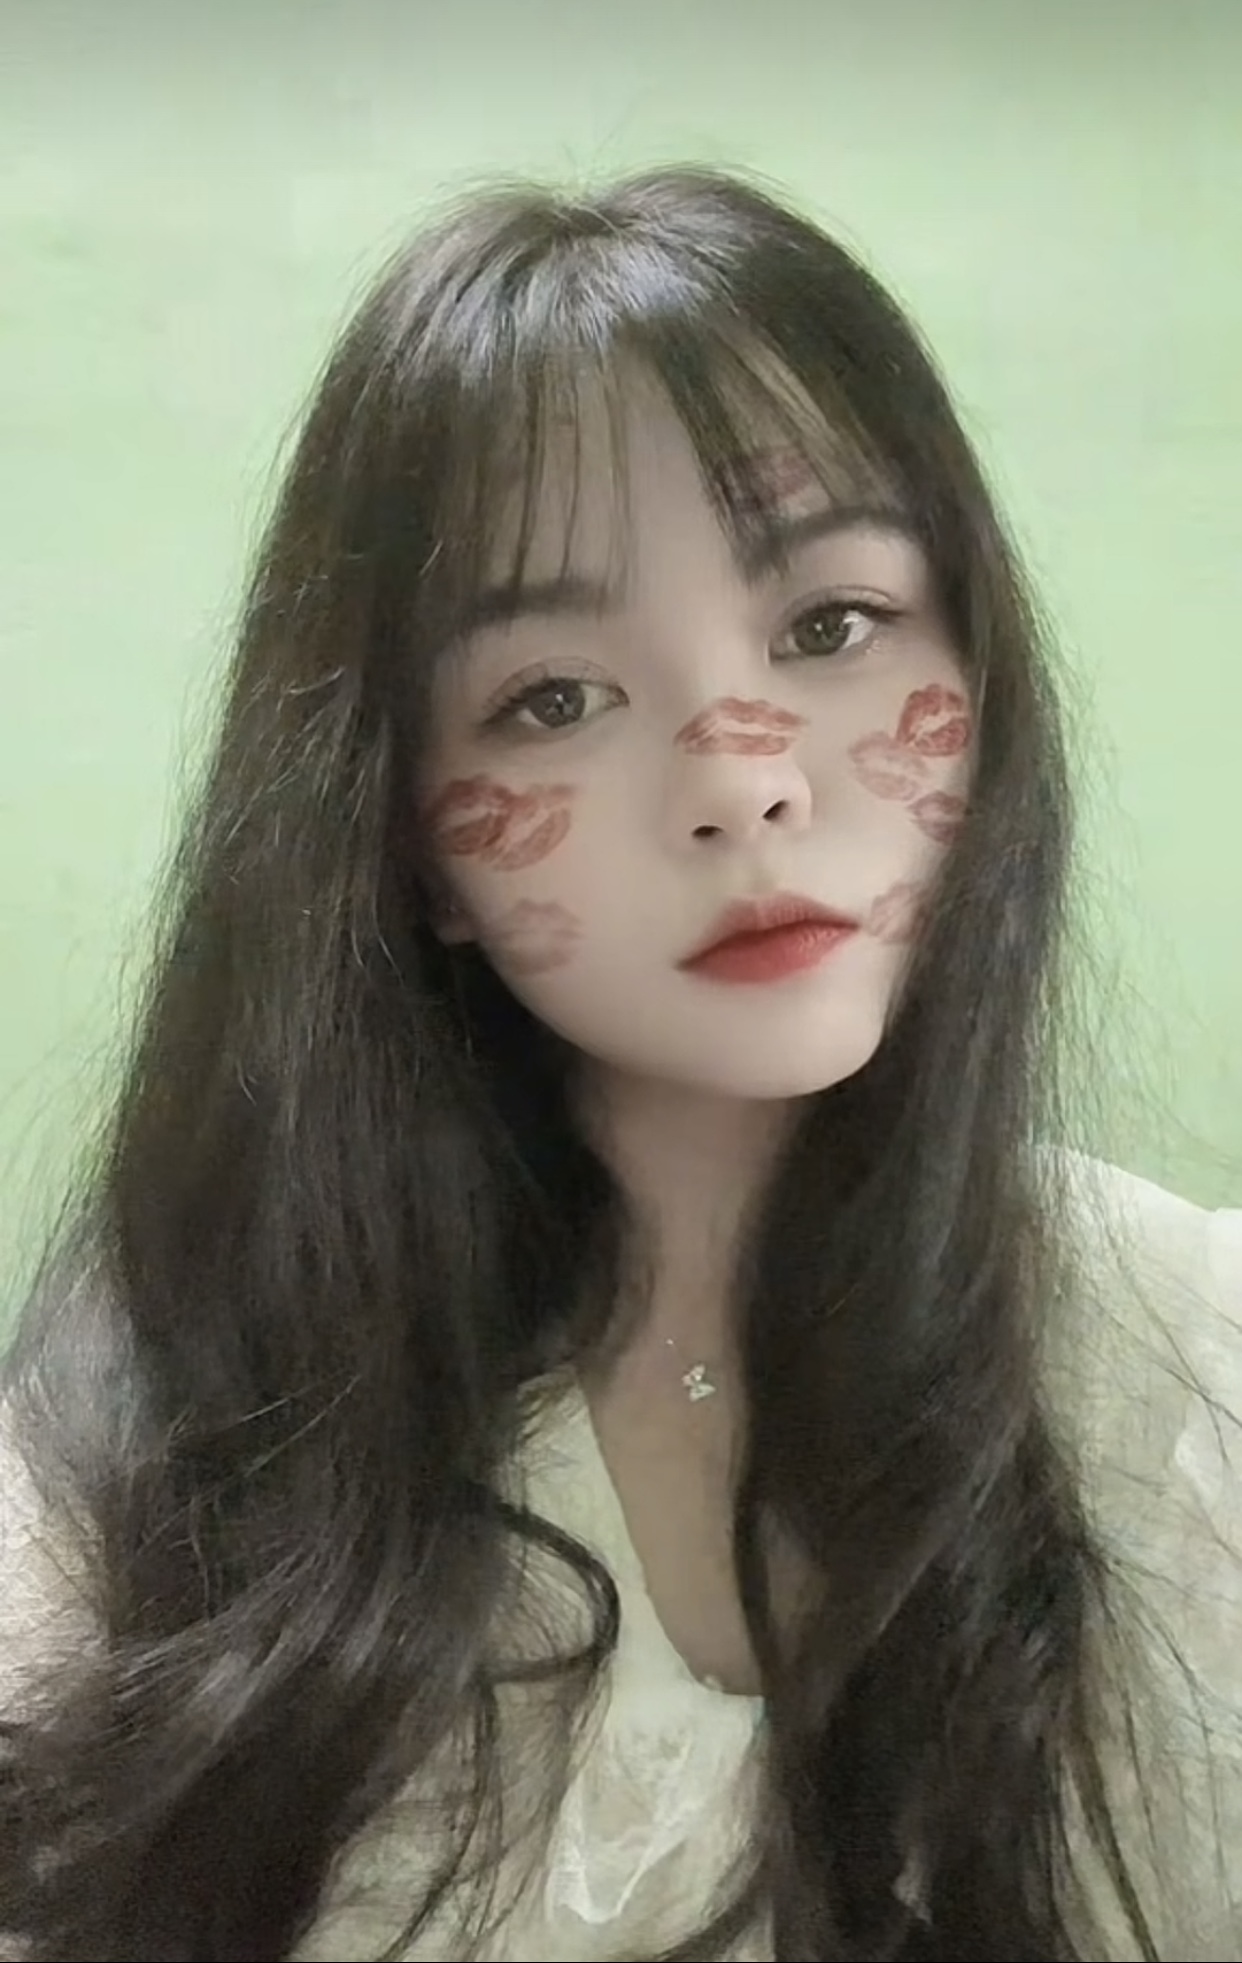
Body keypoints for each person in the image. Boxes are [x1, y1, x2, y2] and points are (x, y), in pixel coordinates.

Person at [0, 165, 1238, 1963]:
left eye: (829, 626)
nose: (741, 777)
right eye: (553, 700)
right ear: (408, 839)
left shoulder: (1184, 1362)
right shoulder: (162, 1425)